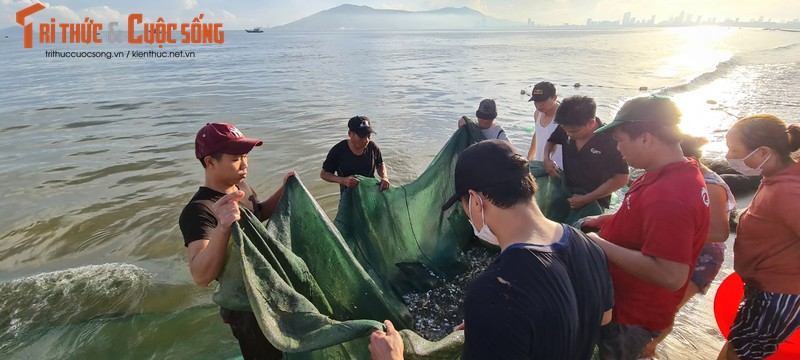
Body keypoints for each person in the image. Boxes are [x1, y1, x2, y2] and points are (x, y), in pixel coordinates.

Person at [370, 140, 614, 360]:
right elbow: (603, 317)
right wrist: (500, 331)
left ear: (476, 201)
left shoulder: (496, 291)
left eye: (463, 206)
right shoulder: (589, 245)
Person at [580, 96, 710, 360]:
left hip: (632, 316)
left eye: (620, 139)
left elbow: (671, 274)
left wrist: (598, 243)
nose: (617, 148)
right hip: (628, 303)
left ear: (645, 138)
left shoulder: (670, 194)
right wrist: (604, 221)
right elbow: (647, 220)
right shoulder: (672, 171)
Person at [179, 122, 295, 360]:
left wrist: (285, 189)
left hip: (268, 290)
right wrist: (223, 227)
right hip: (246, 308)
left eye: (245, 157)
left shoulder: (240, 186)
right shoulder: (200, 210)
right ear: (210, 162)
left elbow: (258, 213)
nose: (245, 165)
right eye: (236, 159)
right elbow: (201, 276)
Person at [644, 135, 736, 357]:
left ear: (690, 158)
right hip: (674, 249)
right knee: (657, 305)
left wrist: (671, 231)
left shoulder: (711, 185)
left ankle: (648, 350)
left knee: (666, 308)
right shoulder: (676, 175)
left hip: (702, 256)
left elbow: (719, 233)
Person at [716, 115, 800, 360]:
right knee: (739, 343)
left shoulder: (787, 191)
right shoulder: (776, 178)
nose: (729, 156)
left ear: (764, 152)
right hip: (764, 287)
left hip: (778, 293)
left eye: (734, 149)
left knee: (743, 352)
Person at [543, 95, 629, 209]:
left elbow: (621, 179)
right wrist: (547, 158)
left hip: (595, 201)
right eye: (565, 130)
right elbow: (551, 141)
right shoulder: (567, 126)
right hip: (567, 193)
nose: (569, 134)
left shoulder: (611, 140)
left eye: (574, 131)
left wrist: (587, 198)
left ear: (591, 123)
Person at [320, 115, 390, 192]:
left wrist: (385, 177)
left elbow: (380, 164)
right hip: (349, 195)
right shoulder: (339, 150)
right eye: (362, 136)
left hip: (370, 193)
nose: (367, 140)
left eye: (368, 135)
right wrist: (343, 180)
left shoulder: (372, 147)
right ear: (350, 134)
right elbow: (324, 174)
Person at [526, 81, 563, 166]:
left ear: (554, 98)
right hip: (541, 164)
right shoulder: (537, 114)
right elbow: (537, 135)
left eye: (543, 100)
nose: (539, 105)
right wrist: (529, 158)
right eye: (536, 101)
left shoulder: (563, 116)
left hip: (559, 167)